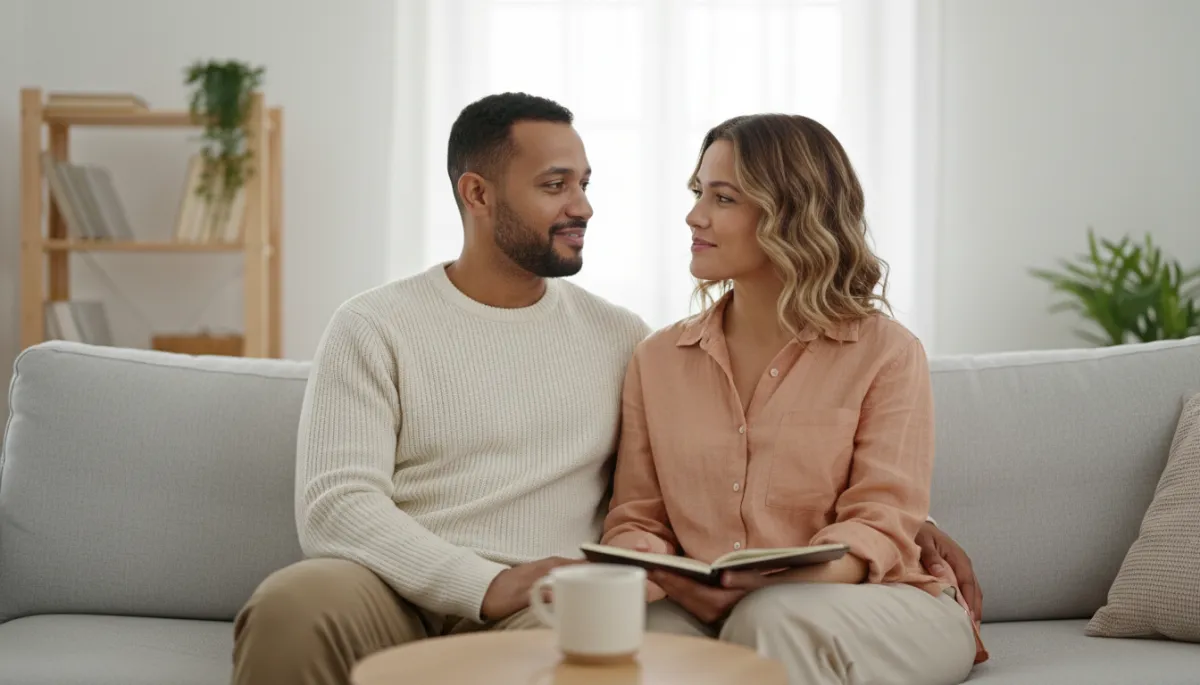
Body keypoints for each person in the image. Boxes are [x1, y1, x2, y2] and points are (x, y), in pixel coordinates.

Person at [230, 93, 983, 685]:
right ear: (478, 193)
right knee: (296, 602)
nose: (584, 206)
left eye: (584, 183)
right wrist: (488, 581)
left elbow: (862, 498)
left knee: (643, 647)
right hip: (393, 585)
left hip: (557, 598)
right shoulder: (375, 325)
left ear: (790, 214)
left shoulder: (620, 337)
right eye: (555, 185)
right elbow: (338, 506)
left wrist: (889, 537)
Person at [598, 113, 989, 685]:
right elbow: (637, 518)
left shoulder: (886, 352)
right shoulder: (656, 359)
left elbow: (878, 524)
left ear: (791, 213)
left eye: (724, 198)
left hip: (877, 604)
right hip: (718, 604)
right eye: (698, 191)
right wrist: (672, 579)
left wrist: (757, 588)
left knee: (771, 618)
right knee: (642, 632)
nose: (694, 215)